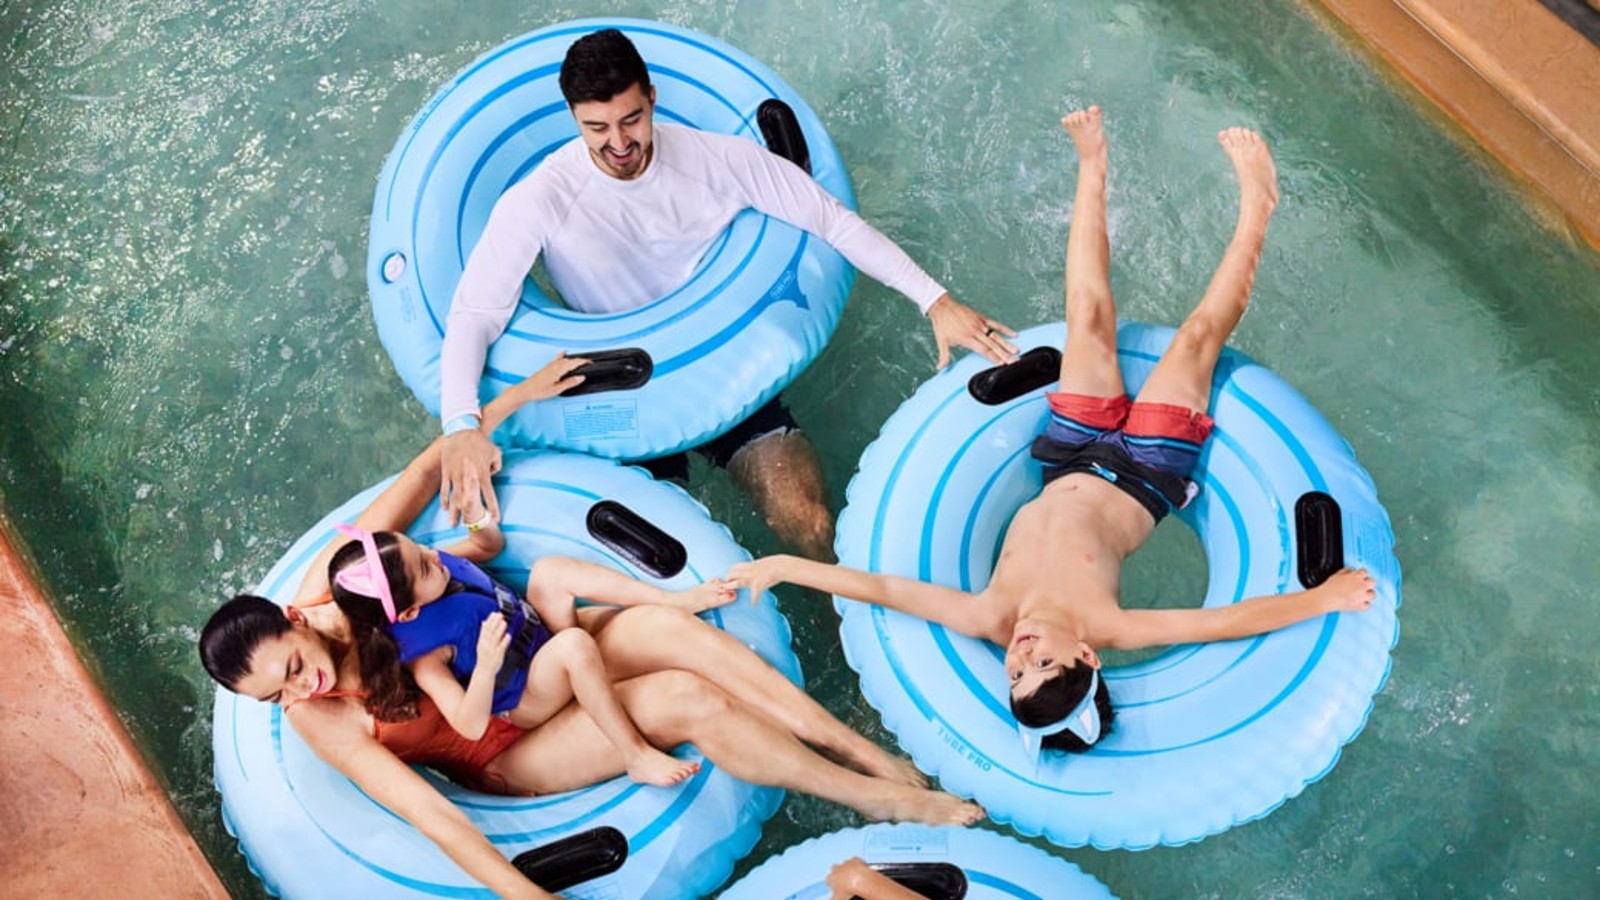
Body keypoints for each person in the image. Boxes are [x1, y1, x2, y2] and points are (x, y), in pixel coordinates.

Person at [726, 107, 1376, 758]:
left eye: (1013, 673)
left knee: (1086, 317)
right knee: (1197, 338)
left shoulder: (992, 614)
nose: (1022, 655)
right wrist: (1325, 599)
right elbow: (1221, 622)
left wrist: (787, 566)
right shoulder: (1107, 624)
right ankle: (1259, 204)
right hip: (1148, 470)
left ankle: (1093, 164)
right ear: (1086, 654)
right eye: (1043, 665)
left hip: (1067, 458)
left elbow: (889, 590)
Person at [199, 364, 982, 900]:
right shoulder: (323, 719)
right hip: (505, 749)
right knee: (680, 696)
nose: (303, 690)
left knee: (675, 637)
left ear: (297, 620)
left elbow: (421, 480)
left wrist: (488, 416)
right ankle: (872, 798)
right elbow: (432, 815)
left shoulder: (347, 584)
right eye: (278, 695)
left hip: (528, 664)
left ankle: (860, 747)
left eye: (294, 666)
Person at [438, 27, 1020, 562]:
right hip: (623, 397)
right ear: (573, 118)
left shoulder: (716, 159)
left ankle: (843, 621)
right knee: (654, 561)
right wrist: (462, 423)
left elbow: (831, 220)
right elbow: (475, 313)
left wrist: (936, 300)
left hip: (721, 369)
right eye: (597, 128)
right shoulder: (541, 196)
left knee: (807, 521)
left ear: (653, 98)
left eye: (631, 119)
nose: (619, 142)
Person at [326, 515, 735, 787]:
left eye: (420, 548)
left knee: (550, 571)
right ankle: (635, 755)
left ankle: (673, 599)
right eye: (424, 567)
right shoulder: (426, 658)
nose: (434, 555)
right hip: (526, 697)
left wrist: (476, 517)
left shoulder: (437, 567)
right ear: (411, 609)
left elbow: (488, 544)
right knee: (573, 646)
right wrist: (485, 668)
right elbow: (469, 725)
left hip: (535, 640)